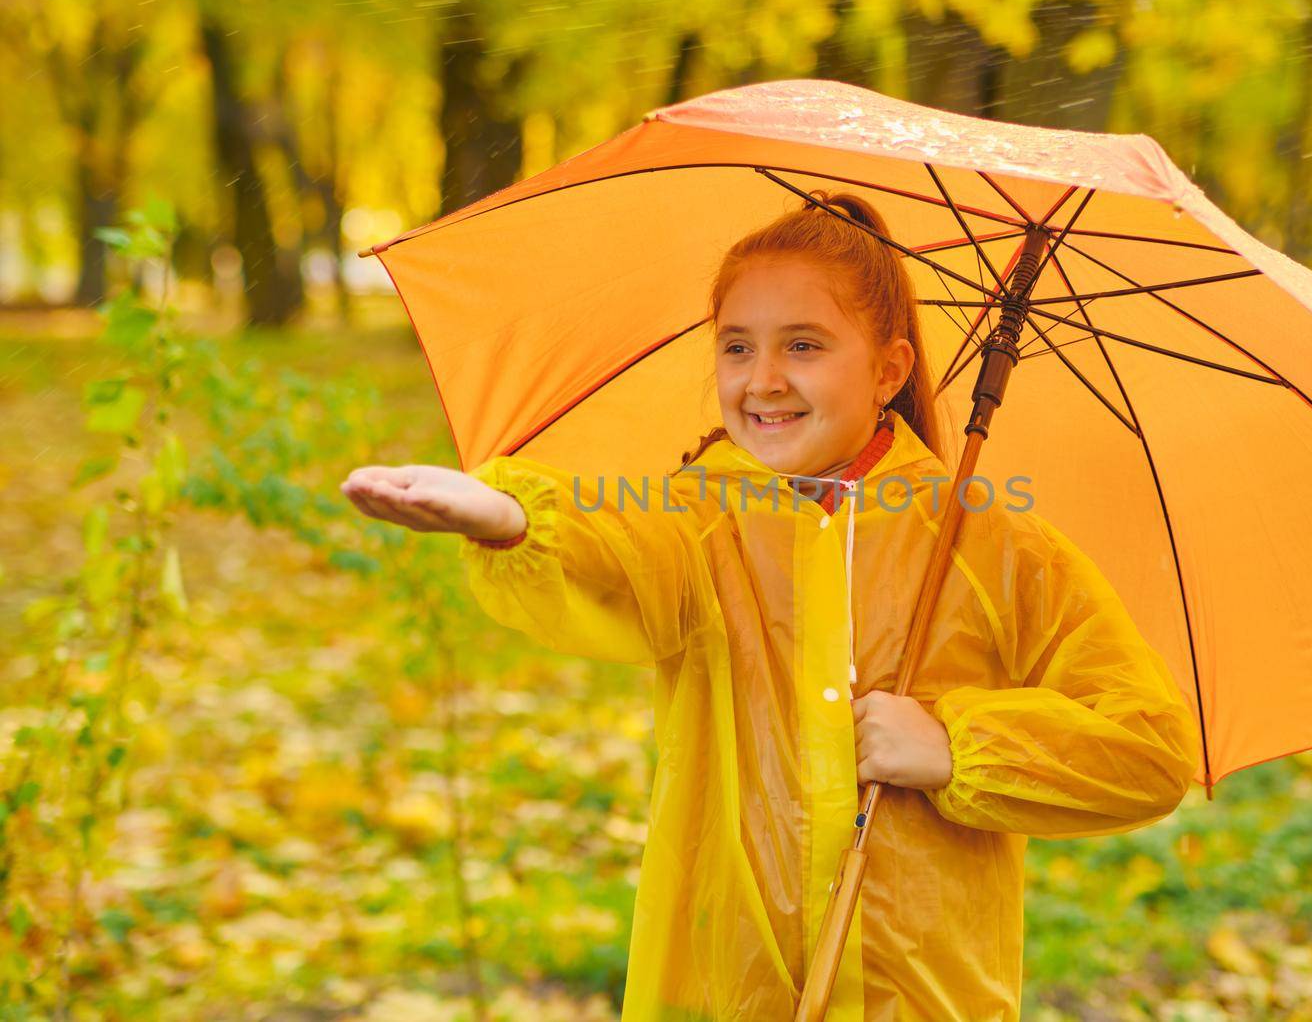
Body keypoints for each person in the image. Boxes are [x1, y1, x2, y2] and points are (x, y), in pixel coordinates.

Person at [342, 191, 1201, 1021]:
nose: (763, 381)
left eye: (803, 346)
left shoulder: (987, 545)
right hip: (732, 988)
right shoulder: (703, 522)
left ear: (889, 369)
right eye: (737, 348)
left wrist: (957, 747)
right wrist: (513, 517)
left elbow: (1150, 748)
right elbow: (619, 547)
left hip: (927, 995)